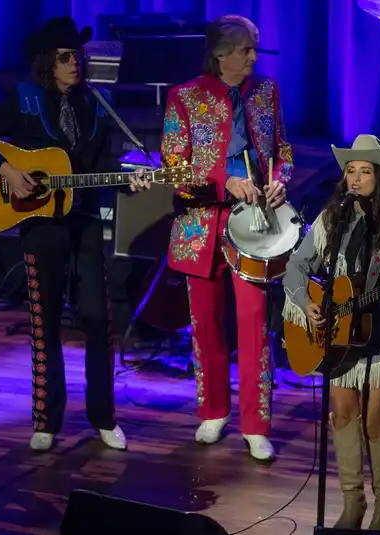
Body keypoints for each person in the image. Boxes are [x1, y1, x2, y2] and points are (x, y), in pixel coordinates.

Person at [0, 17, 148, 451]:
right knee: (44, 323)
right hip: (40, 225)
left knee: (99, 320)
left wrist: (129, 180)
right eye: (65, 57)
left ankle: (104, 416)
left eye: (77, 56)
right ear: (48, 62)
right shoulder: (23, 100)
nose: (75, 64)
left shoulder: (97, 104)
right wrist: (5, 169)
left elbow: (103, 168)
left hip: (82, 223)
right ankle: (46, 419)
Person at [153, 14, 293, 462]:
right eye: (245, 49)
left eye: (254, 49)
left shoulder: (266, 92)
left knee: (254, 323)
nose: (254, 57)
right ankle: (212, 410)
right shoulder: (185, 97)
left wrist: (280, 179)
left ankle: (256, 424)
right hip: (202, 223)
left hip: (256, 224)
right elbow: (173, 169)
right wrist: (223, 180)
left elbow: (283, 153)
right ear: (220, 54)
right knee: (206, 323)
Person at [282, 134, 380, 530]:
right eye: (351, 170)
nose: (356, 178)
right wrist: (306, 302)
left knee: (374, 420)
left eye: (365, 171)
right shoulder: (332, 220)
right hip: (342, 336)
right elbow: (296, 267)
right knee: (342, 412)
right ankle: (353, 504)